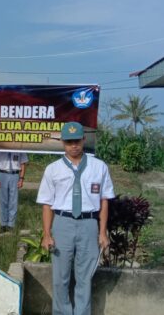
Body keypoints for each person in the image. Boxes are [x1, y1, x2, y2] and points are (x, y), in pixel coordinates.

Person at [36, 122, 114, 315]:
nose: (73, 145)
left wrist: (102, 232)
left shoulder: (99, 167)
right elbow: (47, 204)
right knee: (60, 277)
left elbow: (104, 200)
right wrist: (47, 234)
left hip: (89, 224)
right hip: (62, 224)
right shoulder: (52, 169)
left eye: (77, 141)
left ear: (83, 140)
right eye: (69, 141)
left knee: (84, 277)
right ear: (63, 142)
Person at [0, 151, 28, 234]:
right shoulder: (0, 147)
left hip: (15, 175)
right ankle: (3, 224)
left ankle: (11, 225)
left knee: (13, 201)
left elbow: (23, 163)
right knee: (3, 201)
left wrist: (21, 179)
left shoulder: (19, 147)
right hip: (2, 174)